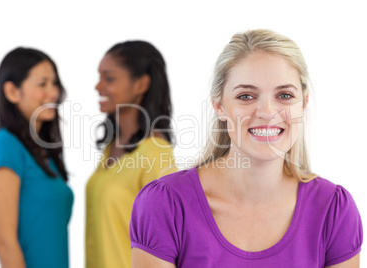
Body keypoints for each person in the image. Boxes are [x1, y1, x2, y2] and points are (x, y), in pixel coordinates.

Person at [130, 29, 363, 267]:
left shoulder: (333, 210)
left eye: (284, 95)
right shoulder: (164, 204)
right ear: (219, 106)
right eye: (246, 96)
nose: (267, 112)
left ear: (303, 103)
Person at [85, 41, 177, 268]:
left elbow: (167, 245)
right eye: (99, 77)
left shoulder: (156, 153)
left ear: (141, 84)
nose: (98, 86)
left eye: (109, 78)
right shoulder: (112, 147)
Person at [0, 47, 74, 268]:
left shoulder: (44, 154)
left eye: (54, 83)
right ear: (12, 91)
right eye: (42, 84)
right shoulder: (5, 146)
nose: (53, 92)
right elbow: (4, 241)